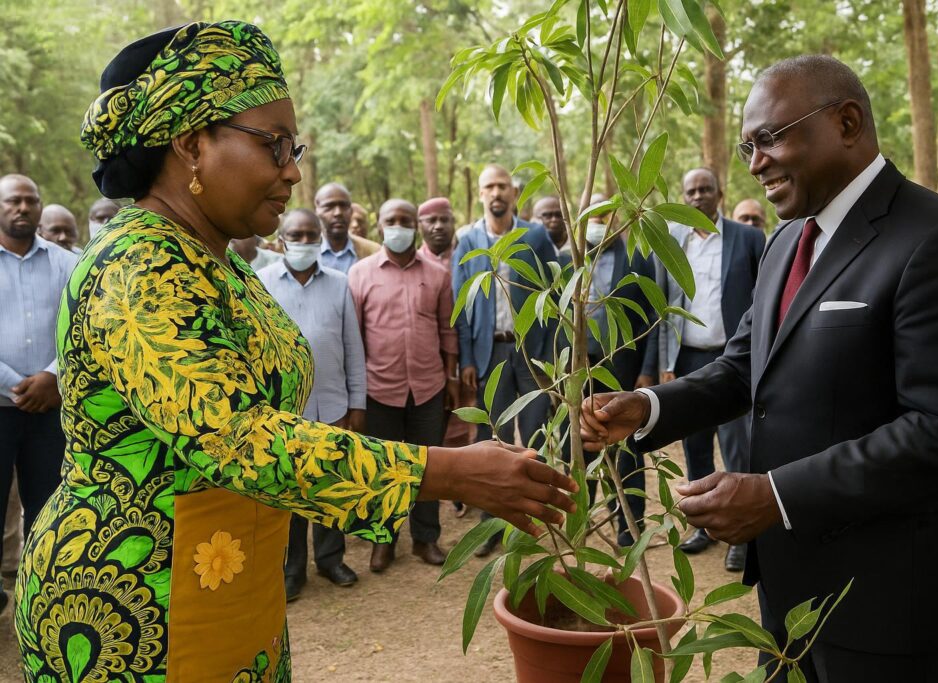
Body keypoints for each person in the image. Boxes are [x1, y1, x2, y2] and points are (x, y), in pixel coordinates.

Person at [14, 23, 576, 683]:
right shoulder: (138, 263)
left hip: (227, 576)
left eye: (294, 146)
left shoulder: (220, 263)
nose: (292, 169)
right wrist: (448, 472)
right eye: (273, 144)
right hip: (132, 605)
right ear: (192, 144)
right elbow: (236, 439)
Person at [581, 55, 938, 681]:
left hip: (886, 595)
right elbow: (744, 368)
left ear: (846, 121)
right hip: (786, 584)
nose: (754, 163)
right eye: (745, 145)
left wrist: (778, 496)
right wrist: (649, 409)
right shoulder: (786, 242)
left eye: (769, 139)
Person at [257, 209, 366, 601]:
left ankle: (332, 559)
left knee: (329, 485)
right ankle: (292, 569)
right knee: (290, 491)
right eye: (295, 235)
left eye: (309, 235)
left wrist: (358, 402)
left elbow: (353, 347)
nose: (303, 241)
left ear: (319, 239)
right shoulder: (262, 282)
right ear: (282, 239)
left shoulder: (339, 284)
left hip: (333, 403)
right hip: (284, 409)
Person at [659, 168, 764, 572]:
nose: (699, 196)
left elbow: (765, 297)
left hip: (733, 359)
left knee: (737, 445)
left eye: (706, 189)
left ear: (721, 193)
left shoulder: (749, 238)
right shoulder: (672, 243)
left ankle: (741, 535)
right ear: (684, 198)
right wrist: (665, 365)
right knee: (695, 446)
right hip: (688, 359)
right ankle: (702, 526)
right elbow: (663, 306)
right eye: (691, 191)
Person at [453, 164, 557, 558]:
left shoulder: (534, 236)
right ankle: (492, 525)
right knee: (492, 438)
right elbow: (460, 304)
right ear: (480, 194)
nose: (495, 192)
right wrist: (465, 357)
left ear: (514, 193)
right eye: (488, 186)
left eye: (502, 186)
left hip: (529, 353)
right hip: (489, 352)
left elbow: (554, 293)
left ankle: (536, 522)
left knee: (534, 436)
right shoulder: (468, 241)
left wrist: (549, 355)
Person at [349, 199, 459, 571]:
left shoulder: (438, 274)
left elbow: (447, 330)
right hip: (380, 388)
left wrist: (452, 378)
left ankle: (426, 539)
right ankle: (383, 542)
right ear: (380, 227)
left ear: (416, 226)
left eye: (406, 221)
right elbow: (356, 338)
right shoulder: (360, 274)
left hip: (429, 387)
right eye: (391, 220)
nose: (399, 227)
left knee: (430, 465)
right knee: (385, 468)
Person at [0, 174, 79, 616]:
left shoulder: (66, 264)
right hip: (0, 406)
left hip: (51, 408)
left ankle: (49, 595)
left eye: (31, 200)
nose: (23, 208)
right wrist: (15, 384)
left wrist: (53, 376)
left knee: (51, 505)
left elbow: (82, 328)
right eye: (14, 200)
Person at [575, 200, 658, 547]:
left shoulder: (638, 258)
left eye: (605, 217)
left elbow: (654, 316)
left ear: (617, 220)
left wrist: (649, 369)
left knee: (626, 448)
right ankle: (579, 523)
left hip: (624, 366)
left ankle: (629, 527)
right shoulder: (574, 260)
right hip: (581, 369)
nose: (599, 224)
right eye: (593, 218)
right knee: (582, 444)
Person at [419, 197, 476, 456]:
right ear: (420, 225)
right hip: (428, 365)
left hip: (469, 359)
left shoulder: (470, 259)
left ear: (454, 223)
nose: (438, 226)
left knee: (465, 425)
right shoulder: (414, 263)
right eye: (432, 220)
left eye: (445, 219)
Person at [314, 182, 380, 273]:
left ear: (351, 211)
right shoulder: (301, 252)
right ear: (317, 211)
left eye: (343, 206)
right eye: (329, 206)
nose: (338, 213)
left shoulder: (373, 252)